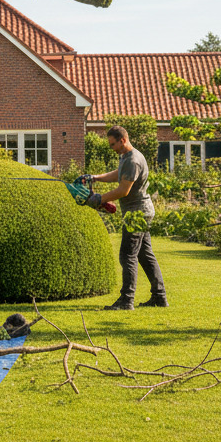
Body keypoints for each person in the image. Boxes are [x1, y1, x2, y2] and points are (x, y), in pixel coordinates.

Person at [84, 126, 168, 310]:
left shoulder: (133, 160)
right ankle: (159, 297)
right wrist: (95, 178)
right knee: (145, 256)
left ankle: (126, 300)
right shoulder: (126, 157)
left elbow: (123, 190)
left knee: (127, 255)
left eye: (113, 144)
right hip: (139, 211)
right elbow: (118, 175)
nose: (111, 148)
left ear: (122, 140)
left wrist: (99, 198)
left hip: (137, 214)